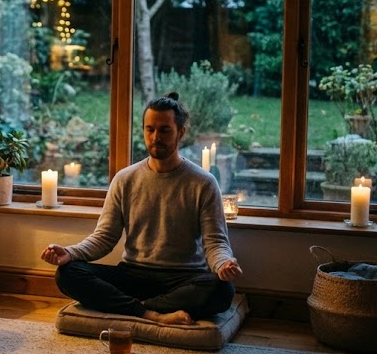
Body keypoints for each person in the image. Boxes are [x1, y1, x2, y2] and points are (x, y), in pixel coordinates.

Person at [40, 92, 243, 325]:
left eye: (165, 130)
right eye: (150, 129)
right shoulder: (125, 179)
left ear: (181, 133)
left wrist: (223, 264)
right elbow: (104, 237)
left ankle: (133, 307)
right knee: (68, 274)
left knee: (222, 290)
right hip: (133, 275)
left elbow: (215, 242)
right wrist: (70, 253)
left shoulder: (203, 183)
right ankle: (152, 314)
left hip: (183, 279)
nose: (156, 137)